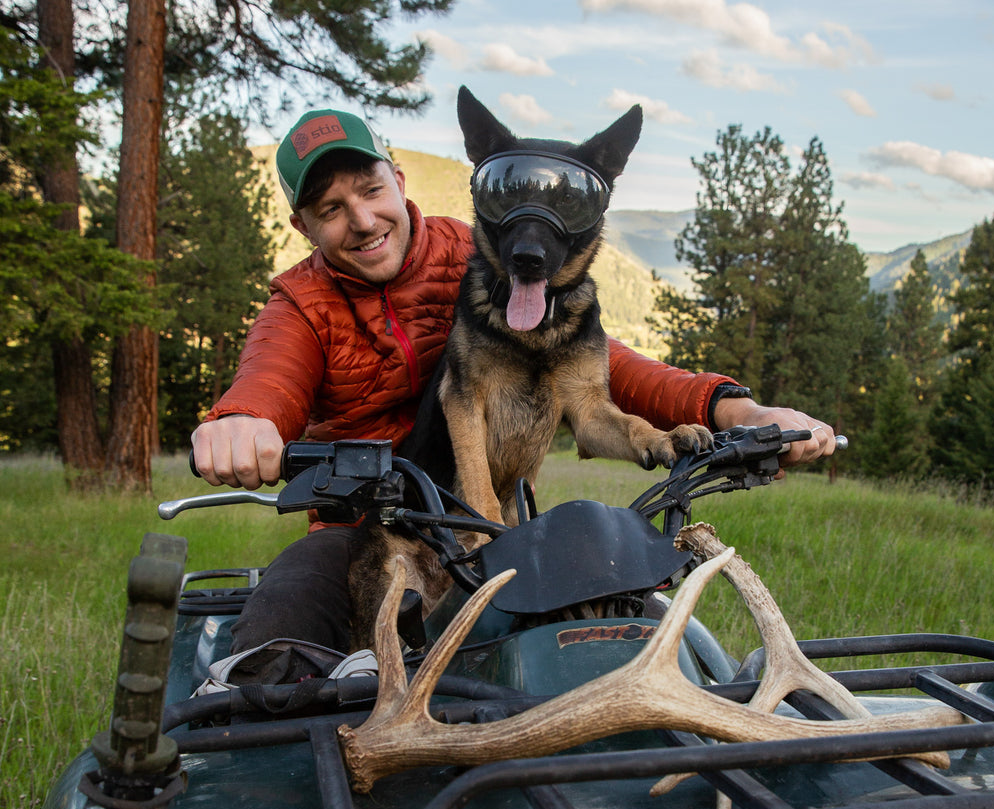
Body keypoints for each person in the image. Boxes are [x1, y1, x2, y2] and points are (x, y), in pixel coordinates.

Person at [191, 108, 837, 655]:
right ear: (303, 227)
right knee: (282, 623)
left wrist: (733, 411)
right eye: (331, 209)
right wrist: (244, 422)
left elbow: (599, 365)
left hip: (503, 525)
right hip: (369, 525)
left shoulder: (473, 254)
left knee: (632, 627)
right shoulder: (299, 304)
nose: (361, 220)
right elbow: (269, 378)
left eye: (369, 190)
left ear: (399, 180)